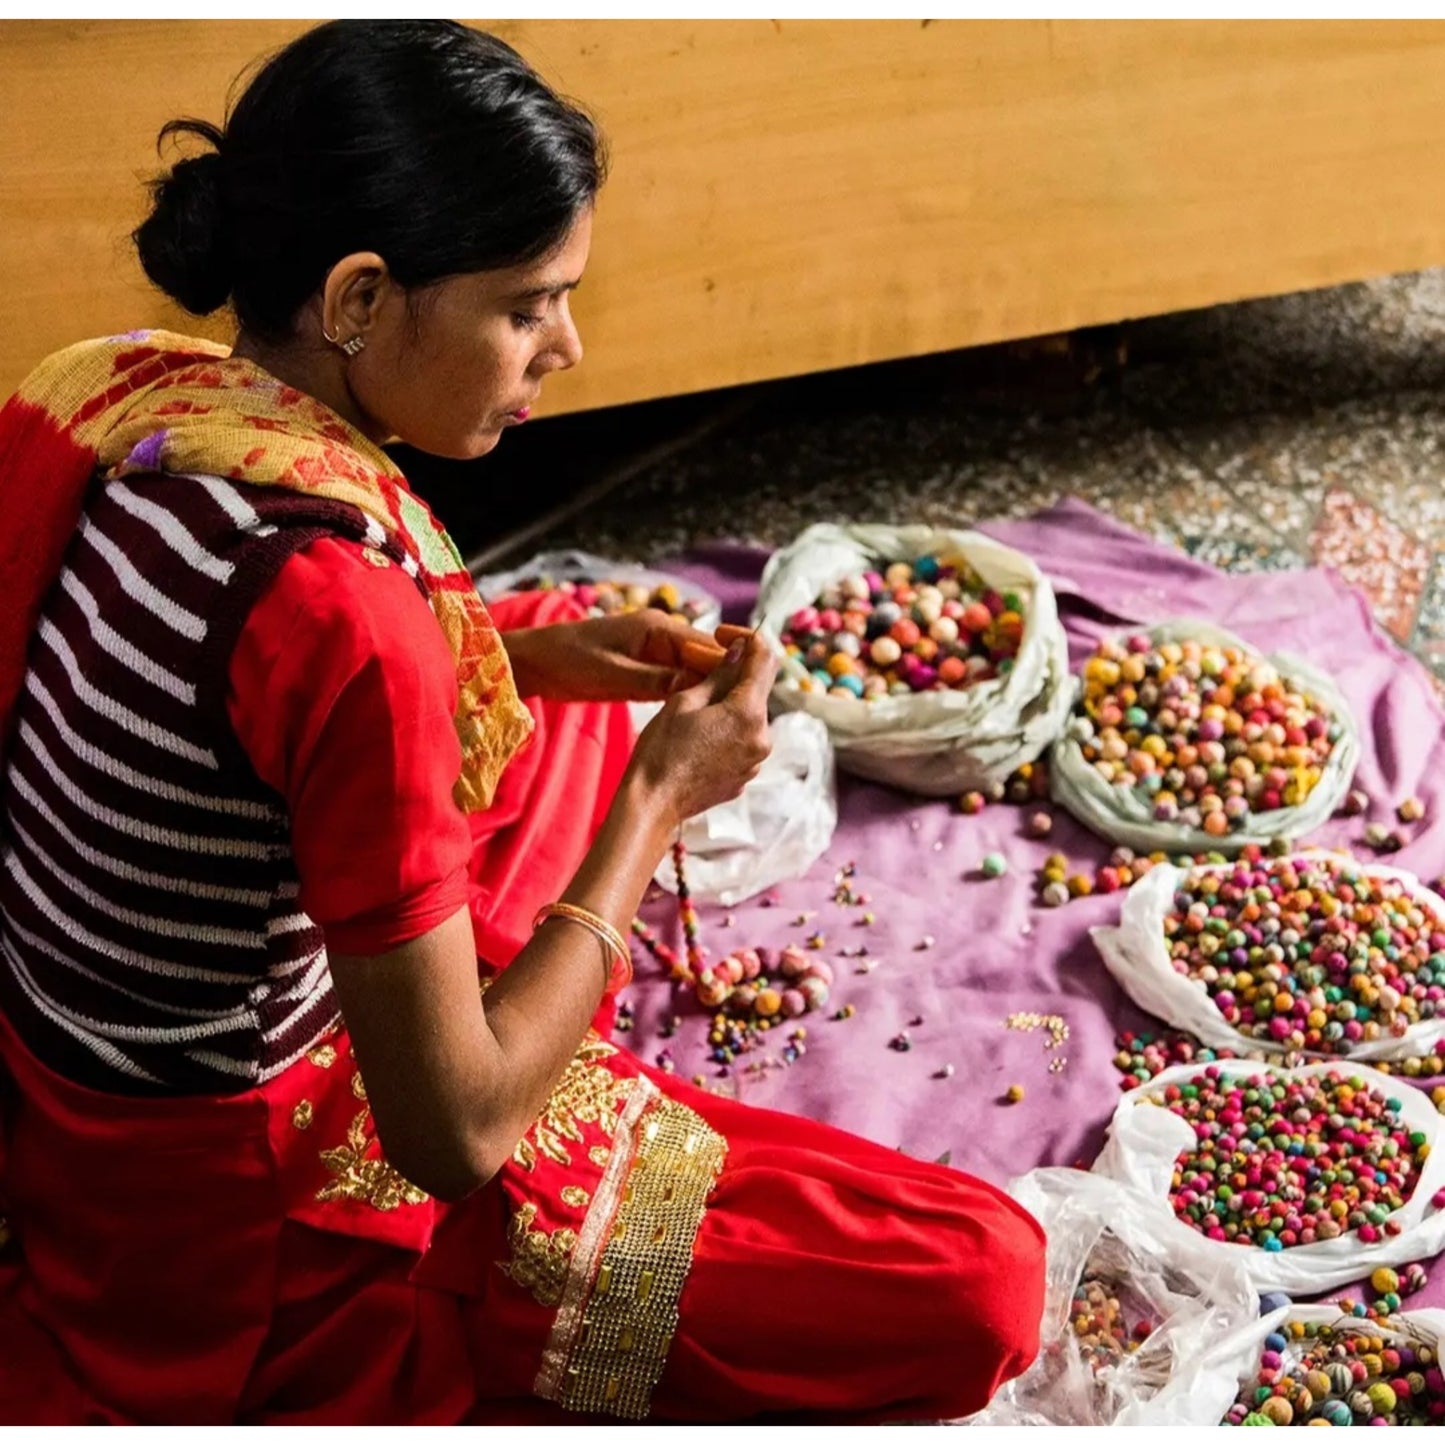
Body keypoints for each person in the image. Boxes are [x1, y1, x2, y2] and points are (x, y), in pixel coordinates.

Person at [0, 19, 1044, 1425]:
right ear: (361, 296)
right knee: (978, 1279)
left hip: (77, 1103)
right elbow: (457, 1133)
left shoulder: (122, 393)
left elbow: (205, 701)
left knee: (546, 681)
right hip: (246, 1224)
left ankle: (530, 864)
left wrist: (517, 659)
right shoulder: (346, 613)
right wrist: (658, 804)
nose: (567, 345)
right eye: (525, 306)